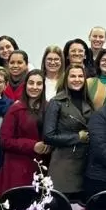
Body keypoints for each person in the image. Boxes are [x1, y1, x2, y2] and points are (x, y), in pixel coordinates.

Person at [0, 70, 50, 193]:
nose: (34, 87)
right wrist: (32, 146)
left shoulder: (49, 107)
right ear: (25, 85)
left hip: (41, 168)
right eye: (31, 83)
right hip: (18, 168)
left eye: (39, 84)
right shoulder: (15, 109)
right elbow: (5, 141)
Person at [44, 65, 93, 200]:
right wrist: (77, 137)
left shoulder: (88, 101)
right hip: (64, 163)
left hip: (85, 164)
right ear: (66, 79)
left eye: (80, 76)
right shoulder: (56, 102)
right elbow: (48, 136)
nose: (77, 79)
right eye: (73, 76)